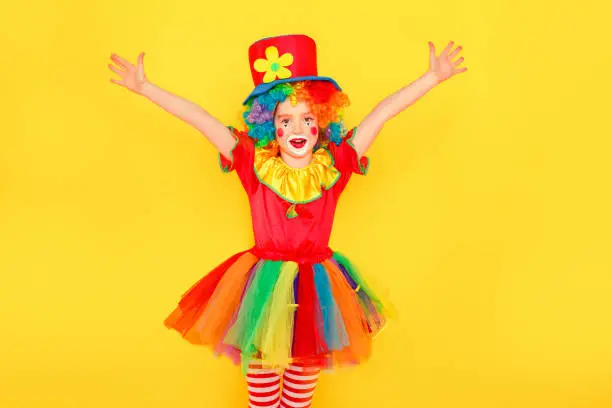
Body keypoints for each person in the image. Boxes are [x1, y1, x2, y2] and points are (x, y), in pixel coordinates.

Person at [108, 34, 466, 408]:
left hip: (317, 291)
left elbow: (382, 113)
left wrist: (431, 78)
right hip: (263, 291)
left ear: (321, 122)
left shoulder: (336, 164)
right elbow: (201, 119)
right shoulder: (251, 161)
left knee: (299, 392)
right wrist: (146, 88)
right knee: (262, 390)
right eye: (286, 119)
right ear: (270, 126)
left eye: (307, 118)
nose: (297, 129)